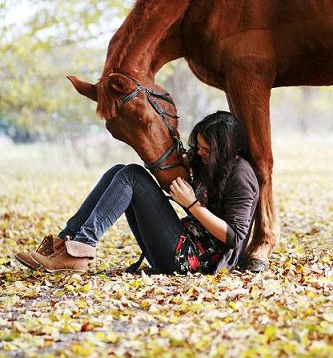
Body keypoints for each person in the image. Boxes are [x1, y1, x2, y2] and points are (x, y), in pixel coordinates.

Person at [14, 111, 259, 275]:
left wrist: (193, 204)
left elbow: (235, 237)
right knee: (118, 171)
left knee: (132, 175)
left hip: (193, 260)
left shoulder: (241, 175)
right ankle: (65, 242)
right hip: (180, 243)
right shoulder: (207, 163)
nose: (200, 153)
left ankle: (81, 250)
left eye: (206, 150)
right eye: (199, 146)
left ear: (224, 150)